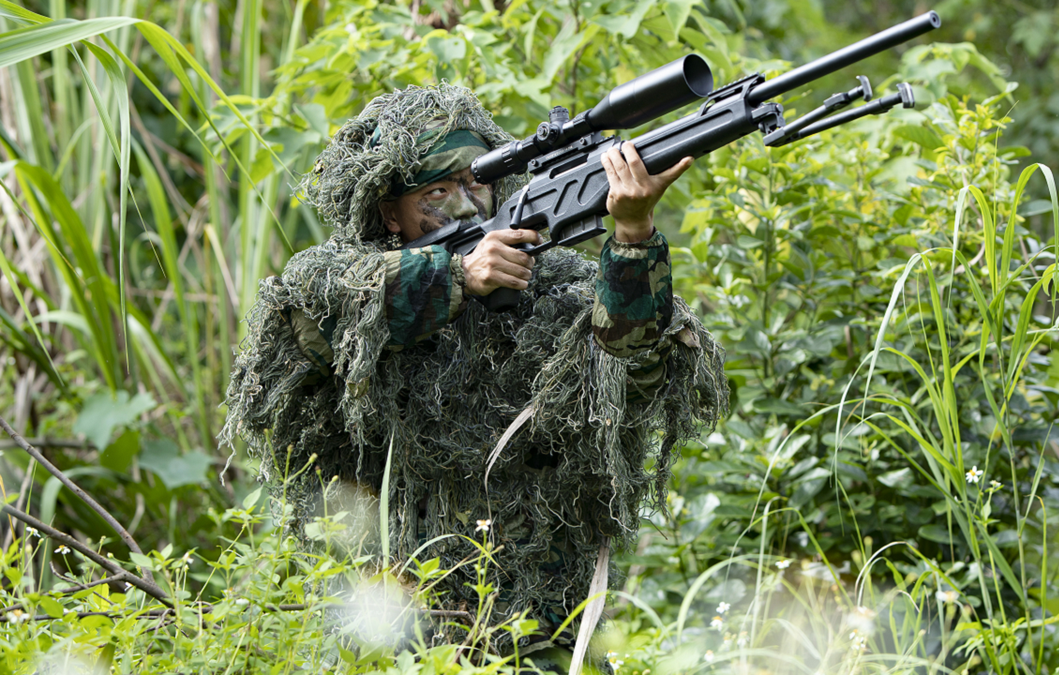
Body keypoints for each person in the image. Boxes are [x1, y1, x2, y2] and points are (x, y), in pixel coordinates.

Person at [220, 84, 727, 660]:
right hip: (396, 623)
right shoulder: (338, 282)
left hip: (539, 621)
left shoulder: (557, 284)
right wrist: (455, 277)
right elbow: (307, 326)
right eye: (436, 191)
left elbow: (629, 380)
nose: (465, 206)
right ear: (389, 212)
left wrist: (633, 238)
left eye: (476, 183)